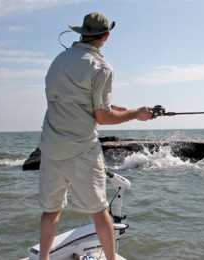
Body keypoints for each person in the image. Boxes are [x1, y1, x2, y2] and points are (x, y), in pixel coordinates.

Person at [37, 12, 154, 260]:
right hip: (81, 150)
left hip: (50, 148)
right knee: (100, 211)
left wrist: (126, 109)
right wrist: (136, 114)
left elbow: (81, 103)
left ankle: (44, 258)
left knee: (51, 211)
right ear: (107, 36)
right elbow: (102, 117)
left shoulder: (58, 61)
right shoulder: (102, 68)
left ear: (81, 33)